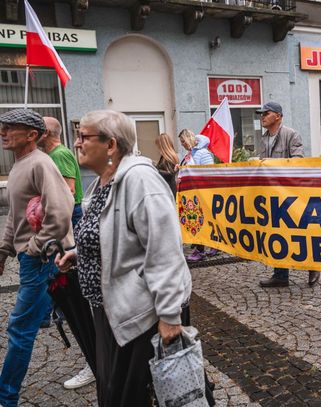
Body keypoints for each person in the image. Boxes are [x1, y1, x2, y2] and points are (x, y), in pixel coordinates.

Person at [56, 110, 192, 407]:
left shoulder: (140, 180)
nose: (76, 143)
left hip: (142, 316)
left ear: (111, 145)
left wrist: (170, 317)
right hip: (110, 311)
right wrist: (80, 254)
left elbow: (165, 251)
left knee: (138, 396)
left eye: (83, 136)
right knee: (115, 392)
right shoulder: (103, 181)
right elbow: (112, 234)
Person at [0, 109, 74, 407]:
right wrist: (4, 251)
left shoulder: (41, 163)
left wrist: (34, 248)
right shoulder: (19, 164)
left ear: (32, 135)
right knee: (80, 316)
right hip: (33, 258)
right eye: (2, 127)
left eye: (9, 128)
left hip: (43, 259)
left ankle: (6, 398)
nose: (3, 132)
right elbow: (14, 216)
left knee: (20, 328)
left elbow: (62, 210)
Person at [37, 116, 96, 389]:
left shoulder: (59, 155)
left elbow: (68, 192)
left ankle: (63, 312)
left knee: (68, 275)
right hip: (70, 218)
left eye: (84, 137)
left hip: (68, 217)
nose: (78, 143)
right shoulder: (54, 155)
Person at [256, 101, 320, 288]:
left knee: (298, 231)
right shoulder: (264, 138)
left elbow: (297, 162)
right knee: (277, 232)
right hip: (272, 193)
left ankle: (313, 266)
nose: (262, 117)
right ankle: (280, 275)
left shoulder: (291, 135)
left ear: (277, 116)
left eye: (266, 113)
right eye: (261, 114)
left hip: (290, 193)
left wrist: (275, 168)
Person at [178, 129, 218, 262]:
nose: (182, 144)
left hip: (201, 192)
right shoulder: (190, 153)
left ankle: (201, 250)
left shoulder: (202, 153)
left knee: (200, 220)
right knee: (199, 220)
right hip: (192, 192)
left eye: (183, 141)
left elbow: (210, 172)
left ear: (189, 139)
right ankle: (211, 245)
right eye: (181, 142)